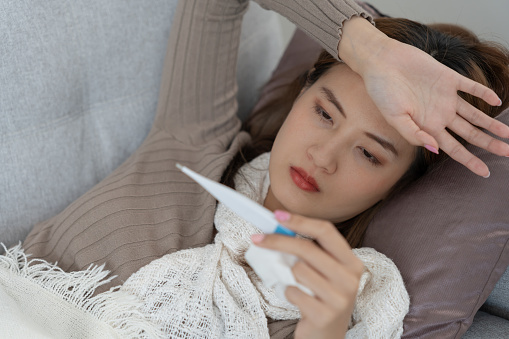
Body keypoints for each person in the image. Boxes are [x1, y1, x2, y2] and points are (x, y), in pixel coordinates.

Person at [10, 0, 508, 338]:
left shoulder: (335, 302)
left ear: (397, 188)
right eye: (324, 112)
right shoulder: (195, 139)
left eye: (369, 154)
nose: (323, 156)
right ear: (301, 93)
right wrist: (368, 49)